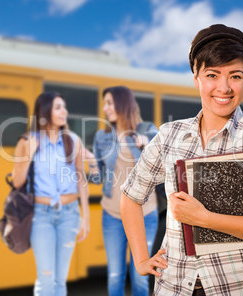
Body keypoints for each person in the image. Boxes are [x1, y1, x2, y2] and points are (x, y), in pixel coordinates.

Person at [120, 24, 243, 296]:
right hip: (173, 287)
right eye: (212, 74)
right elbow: (131, 196)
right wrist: (142, 259)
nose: (224, 87)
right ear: (196, 78)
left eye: (235, 76)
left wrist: (204, 218)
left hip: (239, 289)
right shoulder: (170, 135)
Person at [11, 91, 90, 296]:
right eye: (58, 107)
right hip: (41, 216)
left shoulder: (72, 140)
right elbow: (17, 181)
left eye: (64, 106)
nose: (64, 111)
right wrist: (29, 154)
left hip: (69, 215)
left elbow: (81, 178)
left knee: (59, 280)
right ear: (45, 111)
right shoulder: (27, 141)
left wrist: (86, 217)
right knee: (46, 278)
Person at [85, 86, 159, 296]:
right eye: (104, 103)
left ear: (122, 103)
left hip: (145, 214)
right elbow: (99, 176)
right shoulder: (102, 137)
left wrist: (147, 146)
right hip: (112, 215)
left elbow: (165, 160)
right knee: (115, 276)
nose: (105, 108)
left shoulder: (147, 130)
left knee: (140, 275)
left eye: (109, 103)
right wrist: (90, 163)